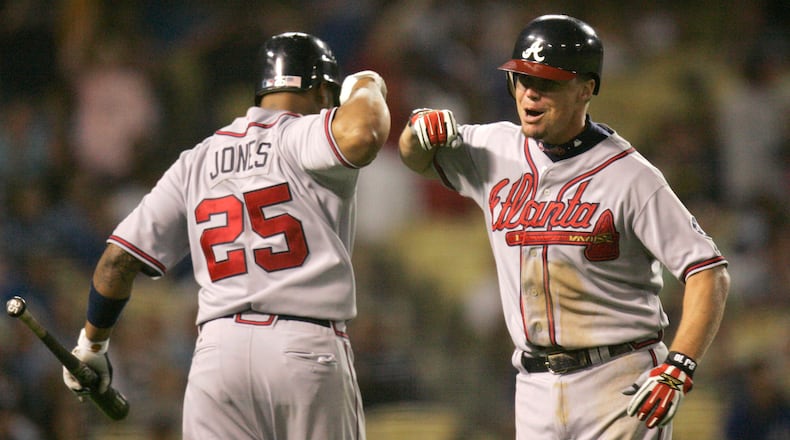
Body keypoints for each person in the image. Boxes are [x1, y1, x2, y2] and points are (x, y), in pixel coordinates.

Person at [398, 14, 730, 439]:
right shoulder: (493, 147)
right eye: (521, 79)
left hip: (618, 381)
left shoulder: (631, 177)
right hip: (534, 383)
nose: (530, 93)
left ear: (586, 88)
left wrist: (679, 365)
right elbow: (417, 157)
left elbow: (708, 272)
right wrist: (417, 130)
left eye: (548, 82)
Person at [62, 31, 390, 440]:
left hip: (218, 357)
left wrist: (92, 346)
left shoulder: (196, 160)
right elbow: (363, 134)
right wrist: (367, 83)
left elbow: (116, 261)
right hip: (304, 347)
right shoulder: (304, 133)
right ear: (323, 91)